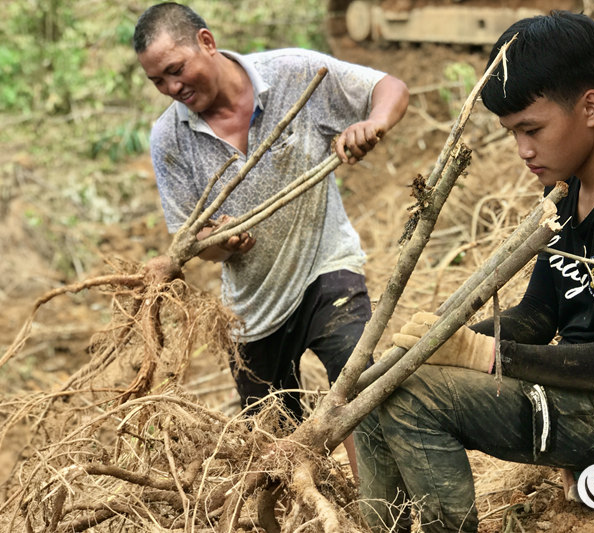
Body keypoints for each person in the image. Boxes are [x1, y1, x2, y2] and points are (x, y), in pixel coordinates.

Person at [355, 11, 594, 532]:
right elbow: (536, 315)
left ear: (590, 106)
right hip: (581, 388)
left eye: (532, 129)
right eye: (512, 133)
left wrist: (482, 354)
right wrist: (440, 344)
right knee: (383, 384)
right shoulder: (567, 191)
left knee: (415, 401)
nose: (523, 150)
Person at [132, 2, 408, 473]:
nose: (172, 88)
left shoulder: (294, 74)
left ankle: (379, 513)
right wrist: (221, 244)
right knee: (279, 449)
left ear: (206, 42)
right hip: (250, 312)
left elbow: (389, 88)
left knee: (358, 394)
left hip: (325, 269)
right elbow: (191, 241)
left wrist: (373, 124)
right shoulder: (169, 139)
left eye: (175, 70)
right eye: (158, 81)